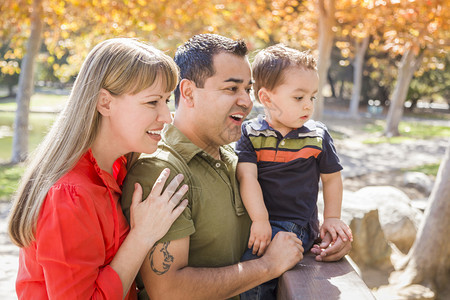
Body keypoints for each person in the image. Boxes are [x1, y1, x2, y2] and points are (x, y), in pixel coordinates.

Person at [120, 34, 305, 300]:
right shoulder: (162, 171)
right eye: (231, 89)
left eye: (248, 89)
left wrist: (326, 234)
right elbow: (168, 290)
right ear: (188, 92)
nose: (246, 101)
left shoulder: (235, 157)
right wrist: (268, 266)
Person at [7, 38, 189, 299]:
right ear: (105, 103)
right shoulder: (69, 195)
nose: (166, 116)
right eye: (152, 102)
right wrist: (141, 237)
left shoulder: (120, 169)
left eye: (167, 101)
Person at [235, 44, 353, 299]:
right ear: (266, 98)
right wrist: (260, 219)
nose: (308, 106)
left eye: (312, 97)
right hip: (259, 221)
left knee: (254, 274)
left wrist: (332, 217)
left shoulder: (317, 135)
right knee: (246, 268)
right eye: (298, 98)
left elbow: (331, 179)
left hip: (296, 225)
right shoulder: (251, 133)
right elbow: (247, 177)